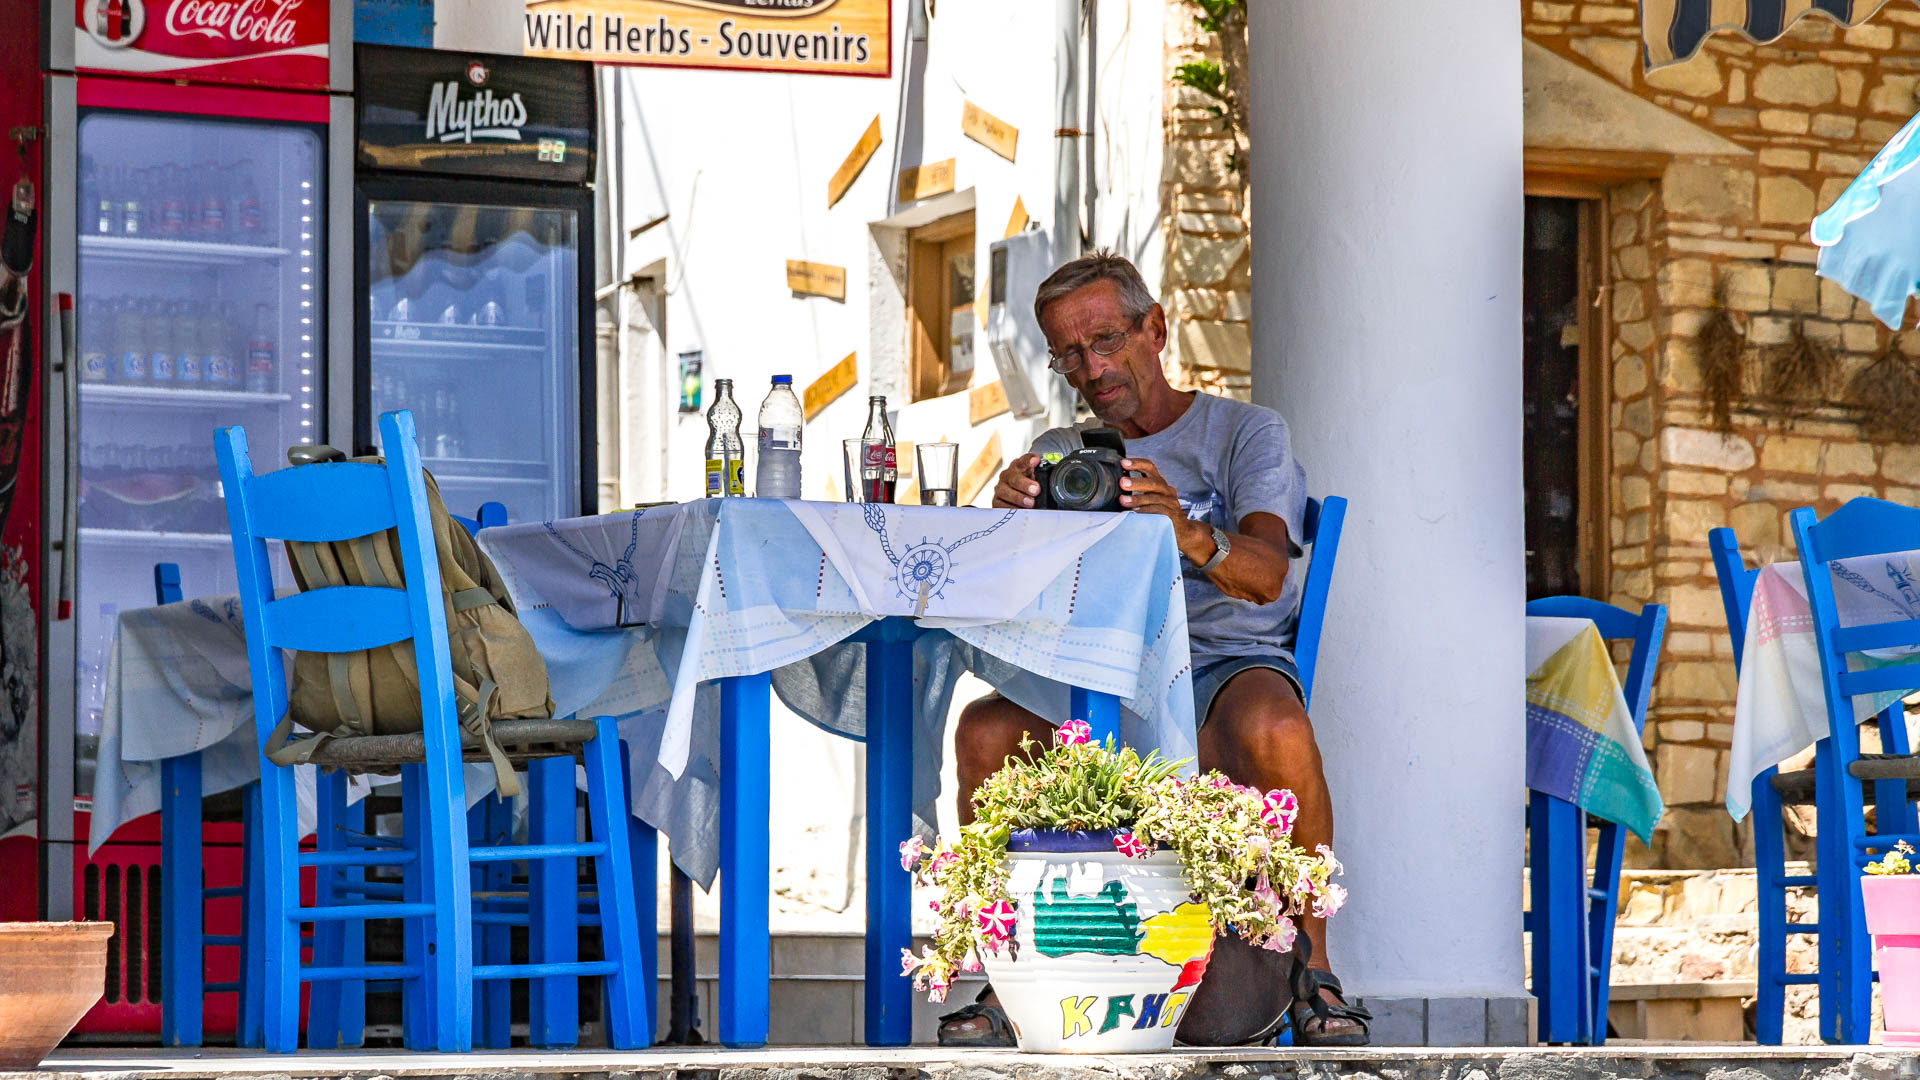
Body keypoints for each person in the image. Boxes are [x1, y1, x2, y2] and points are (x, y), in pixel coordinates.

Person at [936, 251, 1369, 1048]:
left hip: (1223, 664)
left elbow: (1267, 574)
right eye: (1068, 353)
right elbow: (1019, 602)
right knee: (985, 731)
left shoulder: (1246, 432)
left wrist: (1187, 531)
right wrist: (1010, 526)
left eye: (1105, 340)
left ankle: (1315, 969)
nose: (1091, 369)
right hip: (1100, 671)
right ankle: (1006, 970)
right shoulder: (1063, 450)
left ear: (1156, 329)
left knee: (1277, 729)